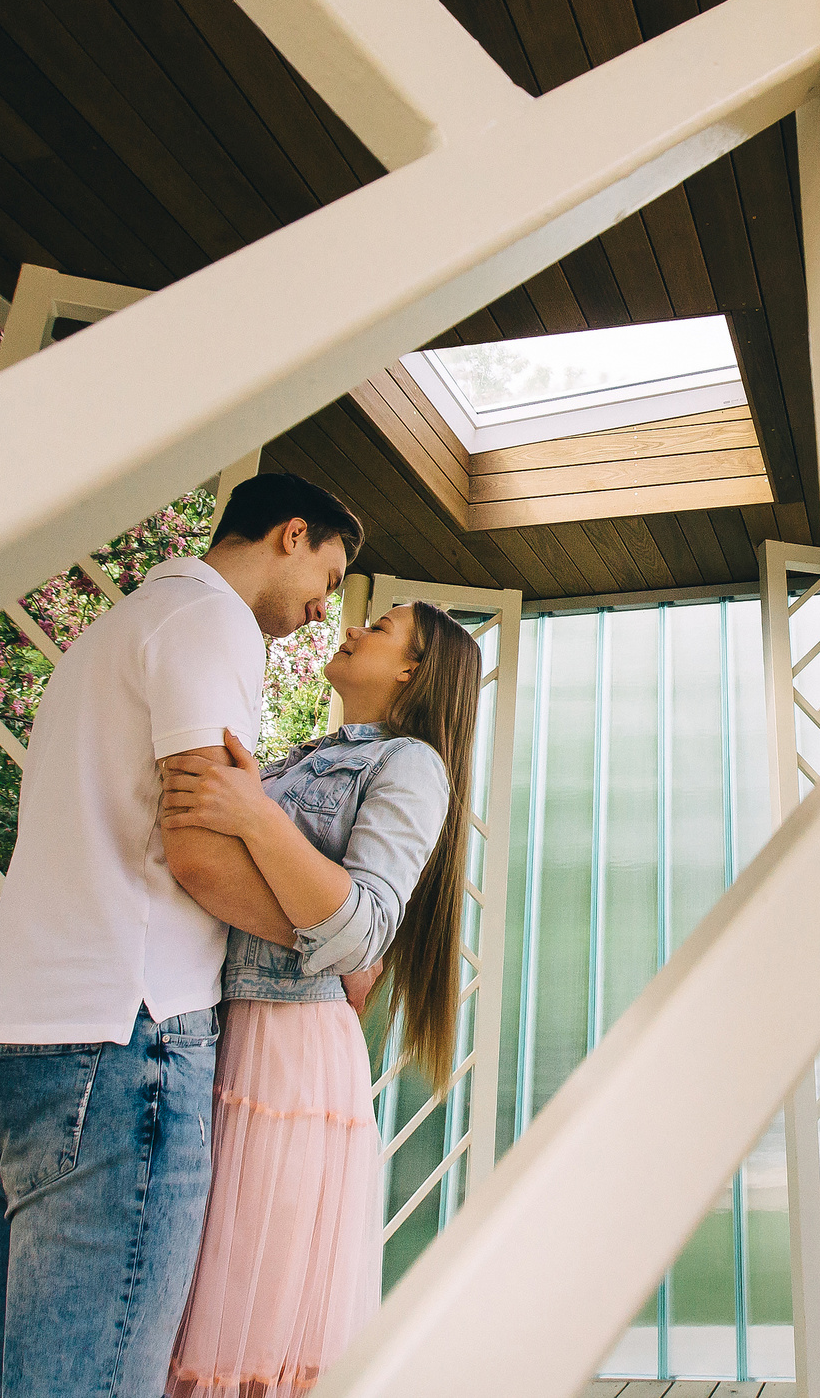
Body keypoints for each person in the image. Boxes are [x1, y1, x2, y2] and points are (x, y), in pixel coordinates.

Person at [0, 473, 362, 1398]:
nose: (320, 610)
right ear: (291, 534)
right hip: (116, 1038)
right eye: (328, 580)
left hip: (5, 1042)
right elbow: (201, 853)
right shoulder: (213, 622)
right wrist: (330, 944)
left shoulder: (113, 631)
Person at [155, 598, 484, 1398]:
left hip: (288, 1059)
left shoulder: (412, 765)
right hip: (221, 1032)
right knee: (186, 1299)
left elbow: (361, 931)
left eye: (381, 625)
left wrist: (254, 815)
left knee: (240, 1317)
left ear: (413, 667)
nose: (353, 624)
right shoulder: (311, 754)